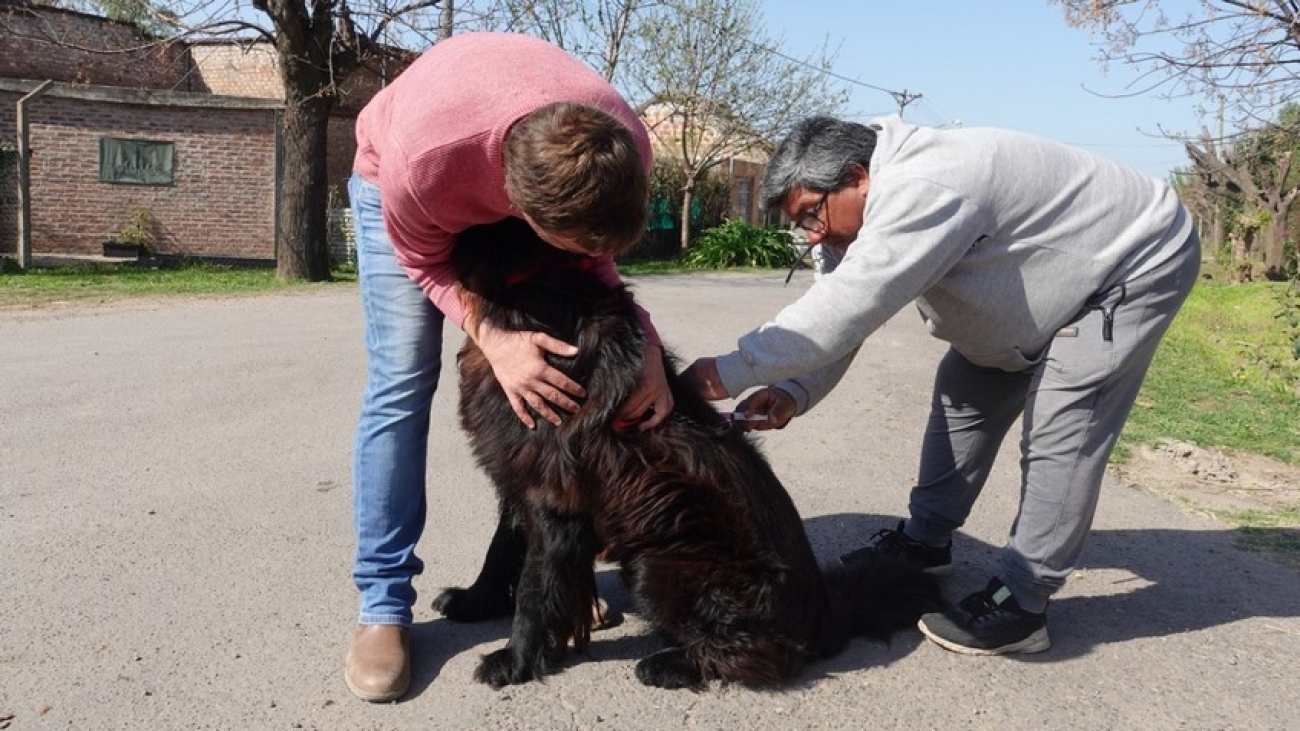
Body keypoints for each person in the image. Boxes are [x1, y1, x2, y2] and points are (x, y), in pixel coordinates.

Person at [683, 115, 1200, 656]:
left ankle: (1023, 601)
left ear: (858, 176)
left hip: (1132, 263)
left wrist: (721, 373)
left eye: (811, 212)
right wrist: (793, 387)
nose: (812, 232)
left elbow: (846, 307)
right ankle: (925, 544)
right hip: (1046, 284)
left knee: (1065, 420)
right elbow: (843, 315)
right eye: (800, 223)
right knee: (964, 388)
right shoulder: (852, 216)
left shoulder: (925, 185)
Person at [346, 32, 672, 702]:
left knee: (555, 391)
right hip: (403, 191)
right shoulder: (423, 164)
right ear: (521, 214)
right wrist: (493, 337)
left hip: (517, 158)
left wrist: (652, 355)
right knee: (403, 382)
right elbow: (425, 263)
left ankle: (561, 579)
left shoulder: (621, 140)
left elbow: (598, 266)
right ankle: (383, 606)